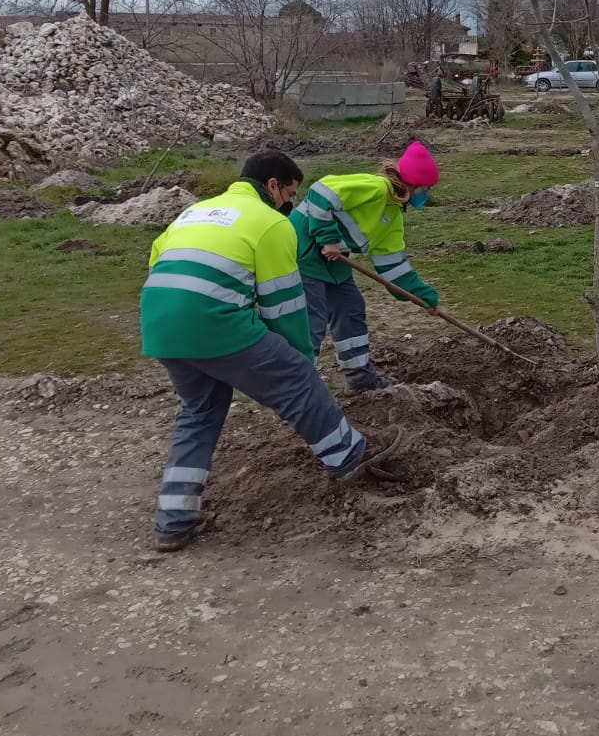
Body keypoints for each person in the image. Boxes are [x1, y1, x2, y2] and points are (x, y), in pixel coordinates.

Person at [141, 150, 403, 553]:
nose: (291, 204)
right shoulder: (272, 225)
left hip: (160, 322)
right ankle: (351, 458)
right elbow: (283, 305)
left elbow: (159, 265)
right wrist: (300, 359)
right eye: (290, 195)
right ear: (273, 186)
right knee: (299, 381)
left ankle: (174, 520)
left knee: (201, 410)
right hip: (214, 320)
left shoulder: (195, 212)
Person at [291, 140, 441, 393]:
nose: (427, 193)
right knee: (311, 321)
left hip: (333, 259)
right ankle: (298, 389)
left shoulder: (392, 216)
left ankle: (359, 376)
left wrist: (424, 296)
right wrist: (326, 238)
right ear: (414, 183)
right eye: (426, 187)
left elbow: (393, 266)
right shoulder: (375, 187)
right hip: (303, 250)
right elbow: (321, 192)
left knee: (350, 308)